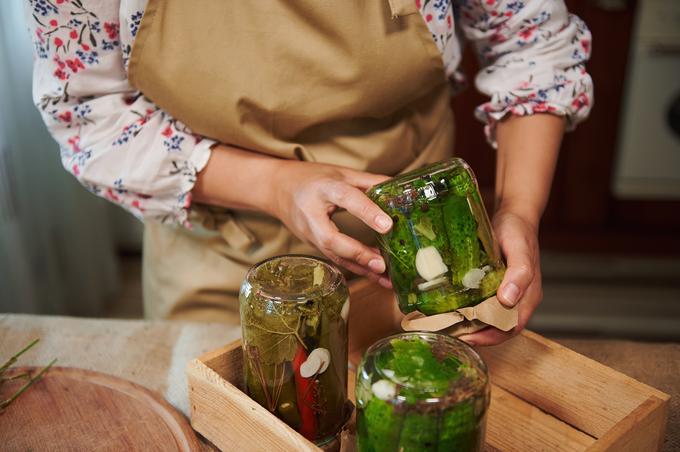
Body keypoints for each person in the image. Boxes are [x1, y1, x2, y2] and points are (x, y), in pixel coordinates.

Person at [26, 0, 592, 345]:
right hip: (217, 247)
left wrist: (518, 208)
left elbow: (532, 44)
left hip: (427, 247)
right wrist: (275, 186)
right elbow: (90, 115)